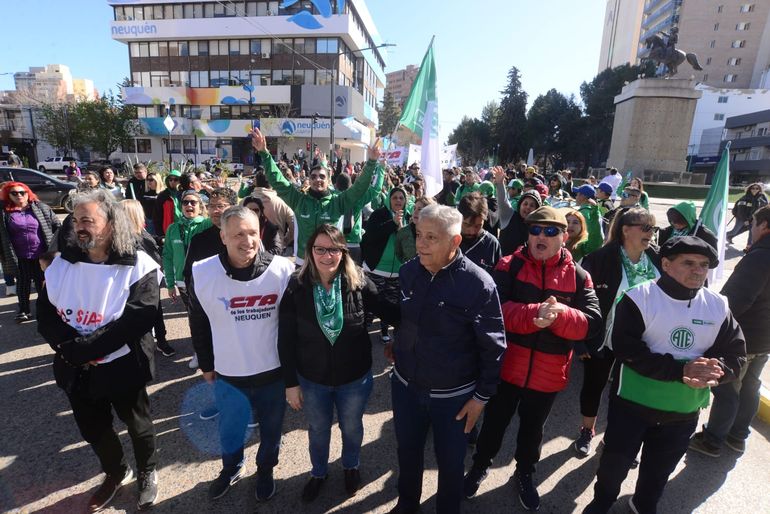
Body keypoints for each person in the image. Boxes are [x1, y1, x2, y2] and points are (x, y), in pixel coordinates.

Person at [583, 236, 746, 514]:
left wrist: (718, 372)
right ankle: (602, 502)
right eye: (689, 263)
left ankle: (643, 505)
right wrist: (681, 370)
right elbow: (627, 350)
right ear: (667, 264)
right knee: (614, 465)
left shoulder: (718, 305)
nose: (698, 270)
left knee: (658, 472)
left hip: (683, 412)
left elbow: (737, 355)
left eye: (704, 265)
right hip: (632, 406)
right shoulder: (638, 297)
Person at [464, 206, 601, 511]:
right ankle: (479, 466)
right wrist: (533, 315)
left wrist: (560, 315)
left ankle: (525, 473)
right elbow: (491, 311)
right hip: (506, 368)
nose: (541, 236)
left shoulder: (579, 276)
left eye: (551, 231)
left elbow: (593, 322)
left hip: (548, 374)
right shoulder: (507, 265)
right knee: (493, 424)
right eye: (535, 230)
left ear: (564, 236)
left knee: (532, 430)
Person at [36, 189, 162, 512]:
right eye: (76, 220)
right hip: (75, 365)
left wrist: (87, 348)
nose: (79, 226)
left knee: (138, 424)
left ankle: (147, 470)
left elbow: (139, 316)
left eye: (87, 220)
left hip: (122, 363)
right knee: (93, 428)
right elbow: (47, 316)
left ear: (109, 223)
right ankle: (116, 470)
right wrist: (71, 349)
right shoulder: (62, 265)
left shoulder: (138, 263)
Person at [386, 204, 506, 514]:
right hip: (406, 388)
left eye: (431, 238)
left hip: (454, 399)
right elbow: (407, 321)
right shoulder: (409, 270)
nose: (421, 244)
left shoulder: (478, 284)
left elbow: (493, 347)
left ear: (454, 242)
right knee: (407, 453)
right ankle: (407, 505)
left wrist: (481, 398)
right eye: (418, 235)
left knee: (451, 464)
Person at [189, 205, 295, 501]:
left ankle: (266, 469)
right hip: (228, 372)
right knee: (231, 428)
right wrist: (206, 364)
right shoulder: (203, 271)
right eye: (237, 234)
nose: (247, 240)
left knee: (272, 431)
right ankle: (232, 467)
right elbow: (198, 321)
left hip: (272, 372)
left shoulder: (282, 270)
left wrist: (294, 373)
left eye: (252, 233)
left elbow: (293, 325)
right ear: (222, 236)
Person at [278, 225, 384, 502]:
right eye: (320, 249)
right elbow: (285, 339)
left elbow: (391, 311)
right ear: (310, 252)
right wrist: (290, 383)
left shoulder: (358, 280)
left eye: (333, 249)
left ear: (343, 252)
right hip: (313, 380)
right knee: (318, 430)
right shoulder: (296, 286)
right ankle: (319, 472)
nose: (327, 255)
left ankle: (351, 466)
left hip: (354, 379)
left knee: (351, 427)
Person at [572, 208, 662, 458]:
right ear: (625, 229)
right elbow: (579, 300)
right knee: (594, 385)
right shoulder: (600, 259)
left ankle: (614, 437)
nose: (651, 234)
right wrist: (579, 340)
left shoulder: (657, 258)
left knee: (628, 392)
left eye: (653, 229)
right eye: (646, 228)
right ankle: (586, 430)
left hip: (643, 341)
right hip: (604, 338)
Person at [689, 205, 770, 456]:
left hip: (743, 337)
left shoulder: (760, 256)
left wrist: (714, 323)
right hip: (765, 338)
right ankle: (737, 436)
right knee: (750, 387)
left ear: (765, 226)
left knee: (727, 389)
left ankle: (712, 440)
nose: (750, 228)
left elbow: (736, 300)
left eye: (753, 222)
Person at [252, 128, 377, 264]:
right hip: (303, 263)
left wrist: (371, 162)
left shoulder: (338, 202)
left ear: (329, 180)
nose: (318, 179)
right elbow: (278, 180)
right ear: (309, 180)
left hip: (330, 264)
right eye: (314, 176)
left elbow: (359, 188)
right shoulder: (299, 200)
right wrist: (264, 153)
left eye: (322, 176)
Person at [120, 199, 174, 358]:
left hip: (152, 277)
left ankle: (161, 341)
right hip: (137, 282)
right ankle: (144, 345)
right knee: (142, 313)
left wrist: (160, 240)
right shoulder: (124, 237)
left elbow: (149, 241)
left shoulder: (140, 230)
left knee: (156, 310)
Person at [0, 181, 61, 322]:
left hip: (42, 254)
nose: (19, 195)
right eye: (14, 193)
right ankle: (23, 310)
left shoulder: (41, 207)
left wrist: (57, 246)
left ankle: (43, 309)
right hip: (18, 255)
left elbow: (57, 226)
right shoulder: (4, 212)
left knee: (42, 283)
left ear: (28, 193)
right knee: (23, 283)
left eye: (22, 192)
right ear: (8, 195)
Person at [361, 187, 408, 342]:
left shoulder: (408, 217)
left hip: (397, 272)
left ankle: (384, 331)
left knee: (390, 305)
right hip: (377, 269)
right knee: (371, 303)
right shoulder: (379, 214)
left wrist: (402, 229)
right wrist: (392, 224)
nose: (398, 201)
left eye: (401, 198)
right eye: (395, 198)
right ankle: (362, 332)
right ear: (389, 199)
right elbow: (370, 237)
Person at [162, 190, 212, 309]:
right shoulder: (172, 229)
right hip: (182, 282)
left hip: (204, 280)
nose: (189, 205)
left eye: (193, 202)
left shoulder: (207, 224)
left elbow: (225, 214)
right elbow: (167, 257)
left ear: (200, 207)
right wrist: (170, 284)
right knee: (192, 316)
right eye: (185, 202)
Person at [494, 167, 543, 256]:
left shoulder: (538, 227)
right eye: (525, 204)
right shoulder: (509, 216)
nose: (528, 207)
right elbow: (502, 201)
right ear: (520, 205)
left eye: (532, 205)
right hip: (503, 266)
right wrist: (500, 183)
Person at [457, 192, 501, 275]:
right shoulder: (448, 239)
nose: (472, 231)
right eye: (466, 224)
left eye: (478, 226)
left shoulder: (491, 244)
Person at [727, 183, 768, 249]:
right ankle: (725, 236)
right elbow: (741, 211)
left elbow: (765, 207)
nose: (755, 190)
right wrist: (745, 220)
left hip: (753, 218)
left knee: (751, 232)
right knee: (735, 230)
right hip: (741, 217)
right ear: (750, 189)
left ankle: (748, 247)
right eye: (753, 188)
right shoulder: (745, 198)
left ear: (759, 189)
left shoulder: (762, 197)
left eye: (757, 188)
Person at [395, 196, 434, 263]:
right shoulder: (403, 232)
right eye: (414, 208)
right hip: (409, 271)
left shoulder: (436, 232)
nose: (415, 212)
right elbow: (398, 254)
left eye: (419, 209)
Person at [152, 169, 182, 241]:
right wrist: (160, 234)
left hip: (182, 230)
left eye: (175, 179)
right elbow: (157, 216)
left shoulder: (184, 194)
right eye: (170, 179)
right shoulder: (163, 196)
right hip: (167, 232)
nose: (172, 182)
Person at [140, 171, 165, 236]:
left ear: (157, 180)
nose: (148, 182)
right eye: (147, 180)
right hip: (147, 221)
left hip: (160, 221)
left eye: (151, 180)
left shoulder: (163, 193)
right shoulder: (144, 193)